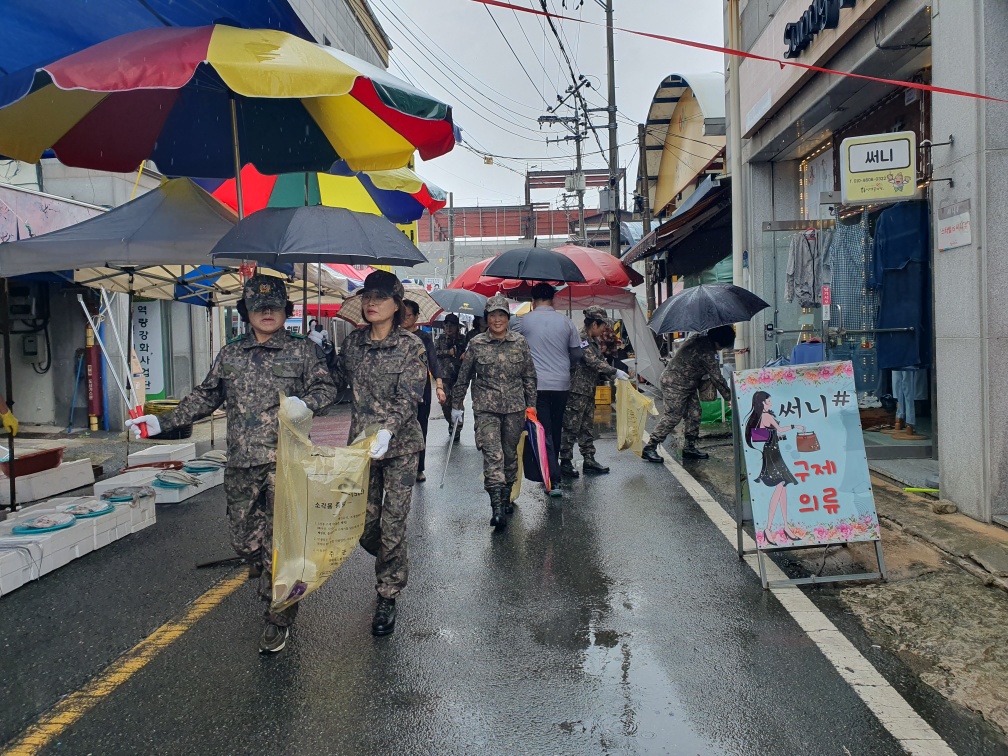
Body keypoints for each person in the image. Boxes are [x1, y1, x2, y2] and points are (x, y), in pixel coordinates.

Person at [126, 275, 337, 654]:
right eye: (258, 306)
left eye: (274, 306)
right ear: (246, 312)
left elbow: (327, 387)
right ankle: (264, 573)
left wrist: (310, 403)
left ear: (286, 310)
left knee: (282, 545)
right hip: (240, 463)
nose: (267, 312)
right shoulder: (231, 352)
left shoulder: (303, 350)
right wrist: (164, 422)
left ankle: (278, 618)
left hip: (284, 463)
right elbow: (207, 395)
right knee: (244, 542)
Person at [330, 270, 428, 637]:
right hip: (361, 449)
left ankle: (387, 593)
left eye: (380, 298)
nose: (371, 303)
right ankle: (394, 556)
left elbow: (410, 396)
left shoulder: (410, 346)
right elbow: (336, 382)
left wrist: (386, 430)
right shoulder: (354, 344)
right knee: (364, 526)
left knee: (393, 522)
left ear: (396, 305)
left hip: (399, 446)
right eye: (367, 296)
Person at [452, 294, 537, 529]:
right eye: (492, 315)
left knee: (510, 455)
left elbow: (529, 375)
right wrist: (456, 405)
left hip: (515, 408)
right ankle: (496, 506)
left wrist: (532, 405)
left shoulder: (519, 342)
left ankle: (507, 494)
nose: (497, 320)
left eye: (501, 315)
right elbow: (464, 376)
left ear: (508, 318)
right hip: (485, 408)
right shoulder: (477, 344)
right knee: (492, 454)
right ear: (486, 319)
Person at [510, 283, 582, 496]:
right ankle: (551, 470)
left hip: (536, 385)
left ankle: (553, 479)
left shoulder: (523, 322)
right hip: (561, 383)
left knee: (543, 430)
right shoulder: (566, 321)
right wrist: (565, 364)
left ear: (533, 300)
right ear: (554, 299)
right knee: (556, 428)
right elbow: (577, 354)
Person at [641, 325, 735, 463]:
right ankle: (650, 447)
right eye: (723, 346)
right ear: (719, 341)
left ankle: (689, 447)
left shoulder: (698, 337)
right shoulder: (707, 351)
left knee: (694, 414)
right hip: (674, 384)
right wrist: (731, 398)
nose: (722, 349)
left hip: (688, 385)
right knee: (673, 416)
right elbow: (717, 378)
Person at [559, 307, 629, 478]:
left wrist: (612, 375)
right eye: (603, 325)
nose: (605, 328)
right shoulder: (581, 338)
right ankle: (565, 462)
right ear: (594, 323)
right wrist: (615, 371)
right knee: (571, 427)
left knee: (587, 426)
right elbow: (592, 362)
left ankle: (589, 459)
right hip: (576, 391)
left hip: (589, 389)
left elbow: (600, 362)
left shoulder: (594, 339)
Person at [745, 390, 805, 546]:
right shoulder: (766, 416)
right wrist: (795, 425)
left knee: (783, 489)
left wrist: (775, 436)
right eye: (768, 401)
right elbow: (781, 429)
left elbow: (764, 436)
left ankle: (786, 526)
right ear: (762, 402)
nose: (770, 403)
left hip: (773, 453)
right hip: (773, 456)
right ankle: (768, 528)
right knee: (779, 488)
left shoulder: (760, 416)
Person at [402, 299, 446, 482]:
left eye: (408, 315)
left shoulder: (424, 337)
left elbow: (434, 362)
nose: (404, 318)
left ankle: (419, 467)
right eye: (401, 315)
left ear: (417, 317)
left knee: (420, 427)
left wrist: (440, 387)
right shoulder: (393, 336)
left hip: (421, 390)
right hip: (399, 391)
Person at [435, 313, 468, 442]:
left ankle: (457, 428)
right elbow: (434, 353)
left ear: (457, 327)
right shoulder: (440, 339)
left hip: (459, 376)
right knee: (445, 403)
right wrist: (447, 352)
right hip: (444, 376)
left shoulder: (463, 339)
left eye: (451, 326)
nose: (448, 328)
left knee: (457, 402)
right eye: (446, 325)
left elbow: (469, 352)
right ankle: (451, 422)